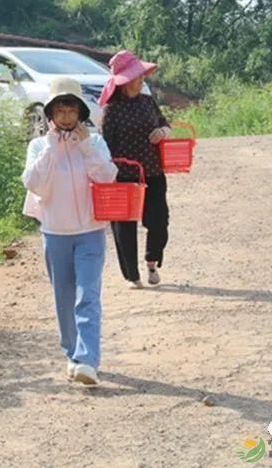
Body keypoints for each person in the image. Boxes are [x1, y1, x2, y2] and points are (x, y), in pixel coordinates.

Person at [21, 77, 118, 386]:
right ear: (50, 114)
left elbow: (107, 177)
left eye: (71, 109)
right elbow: (35, 183)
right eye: (59, 110)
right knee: (64, 297)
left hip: (91, 230)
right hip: (55, 233)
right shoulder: (39, 146)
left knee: (87, 295)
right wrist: (51, 147)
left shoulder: (96, 143)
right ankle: (72, 352)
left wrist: (86, 145)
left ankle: (88, 359)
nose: (66, 117)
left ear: (80, 112)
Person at [98, 50, 171, 289]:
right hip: (124, 176)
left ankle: (152, 260)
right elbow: (105, 146)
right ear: (124, 82)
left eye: (142, 77)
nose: (141, 82)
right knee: (124, 227)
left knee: (159, 219)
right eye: (137, 78)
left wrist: (163, 132)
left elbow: (163, 122)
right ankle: (132, 275)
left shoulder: (147, 101)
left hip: (152, 171)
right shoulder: (112, 110)